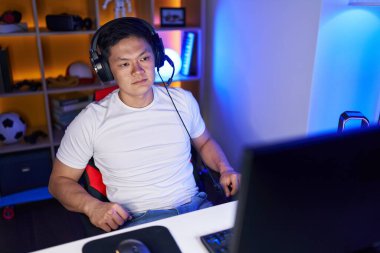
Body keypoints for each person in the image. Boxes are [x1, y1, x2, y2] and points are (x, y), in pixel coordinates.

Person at [48, 17, 240, 233]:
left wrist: (226, 169)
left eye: (144, 58)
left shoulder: (183, 101)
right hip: (140, 221)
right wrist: (92, 207)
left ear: (156, 57)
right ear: (106, 70)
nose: (137, 71)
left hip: (198, 208)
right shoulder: (90, 121)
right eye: (124, 64)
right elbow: (59, 181)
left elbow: (204, 142)